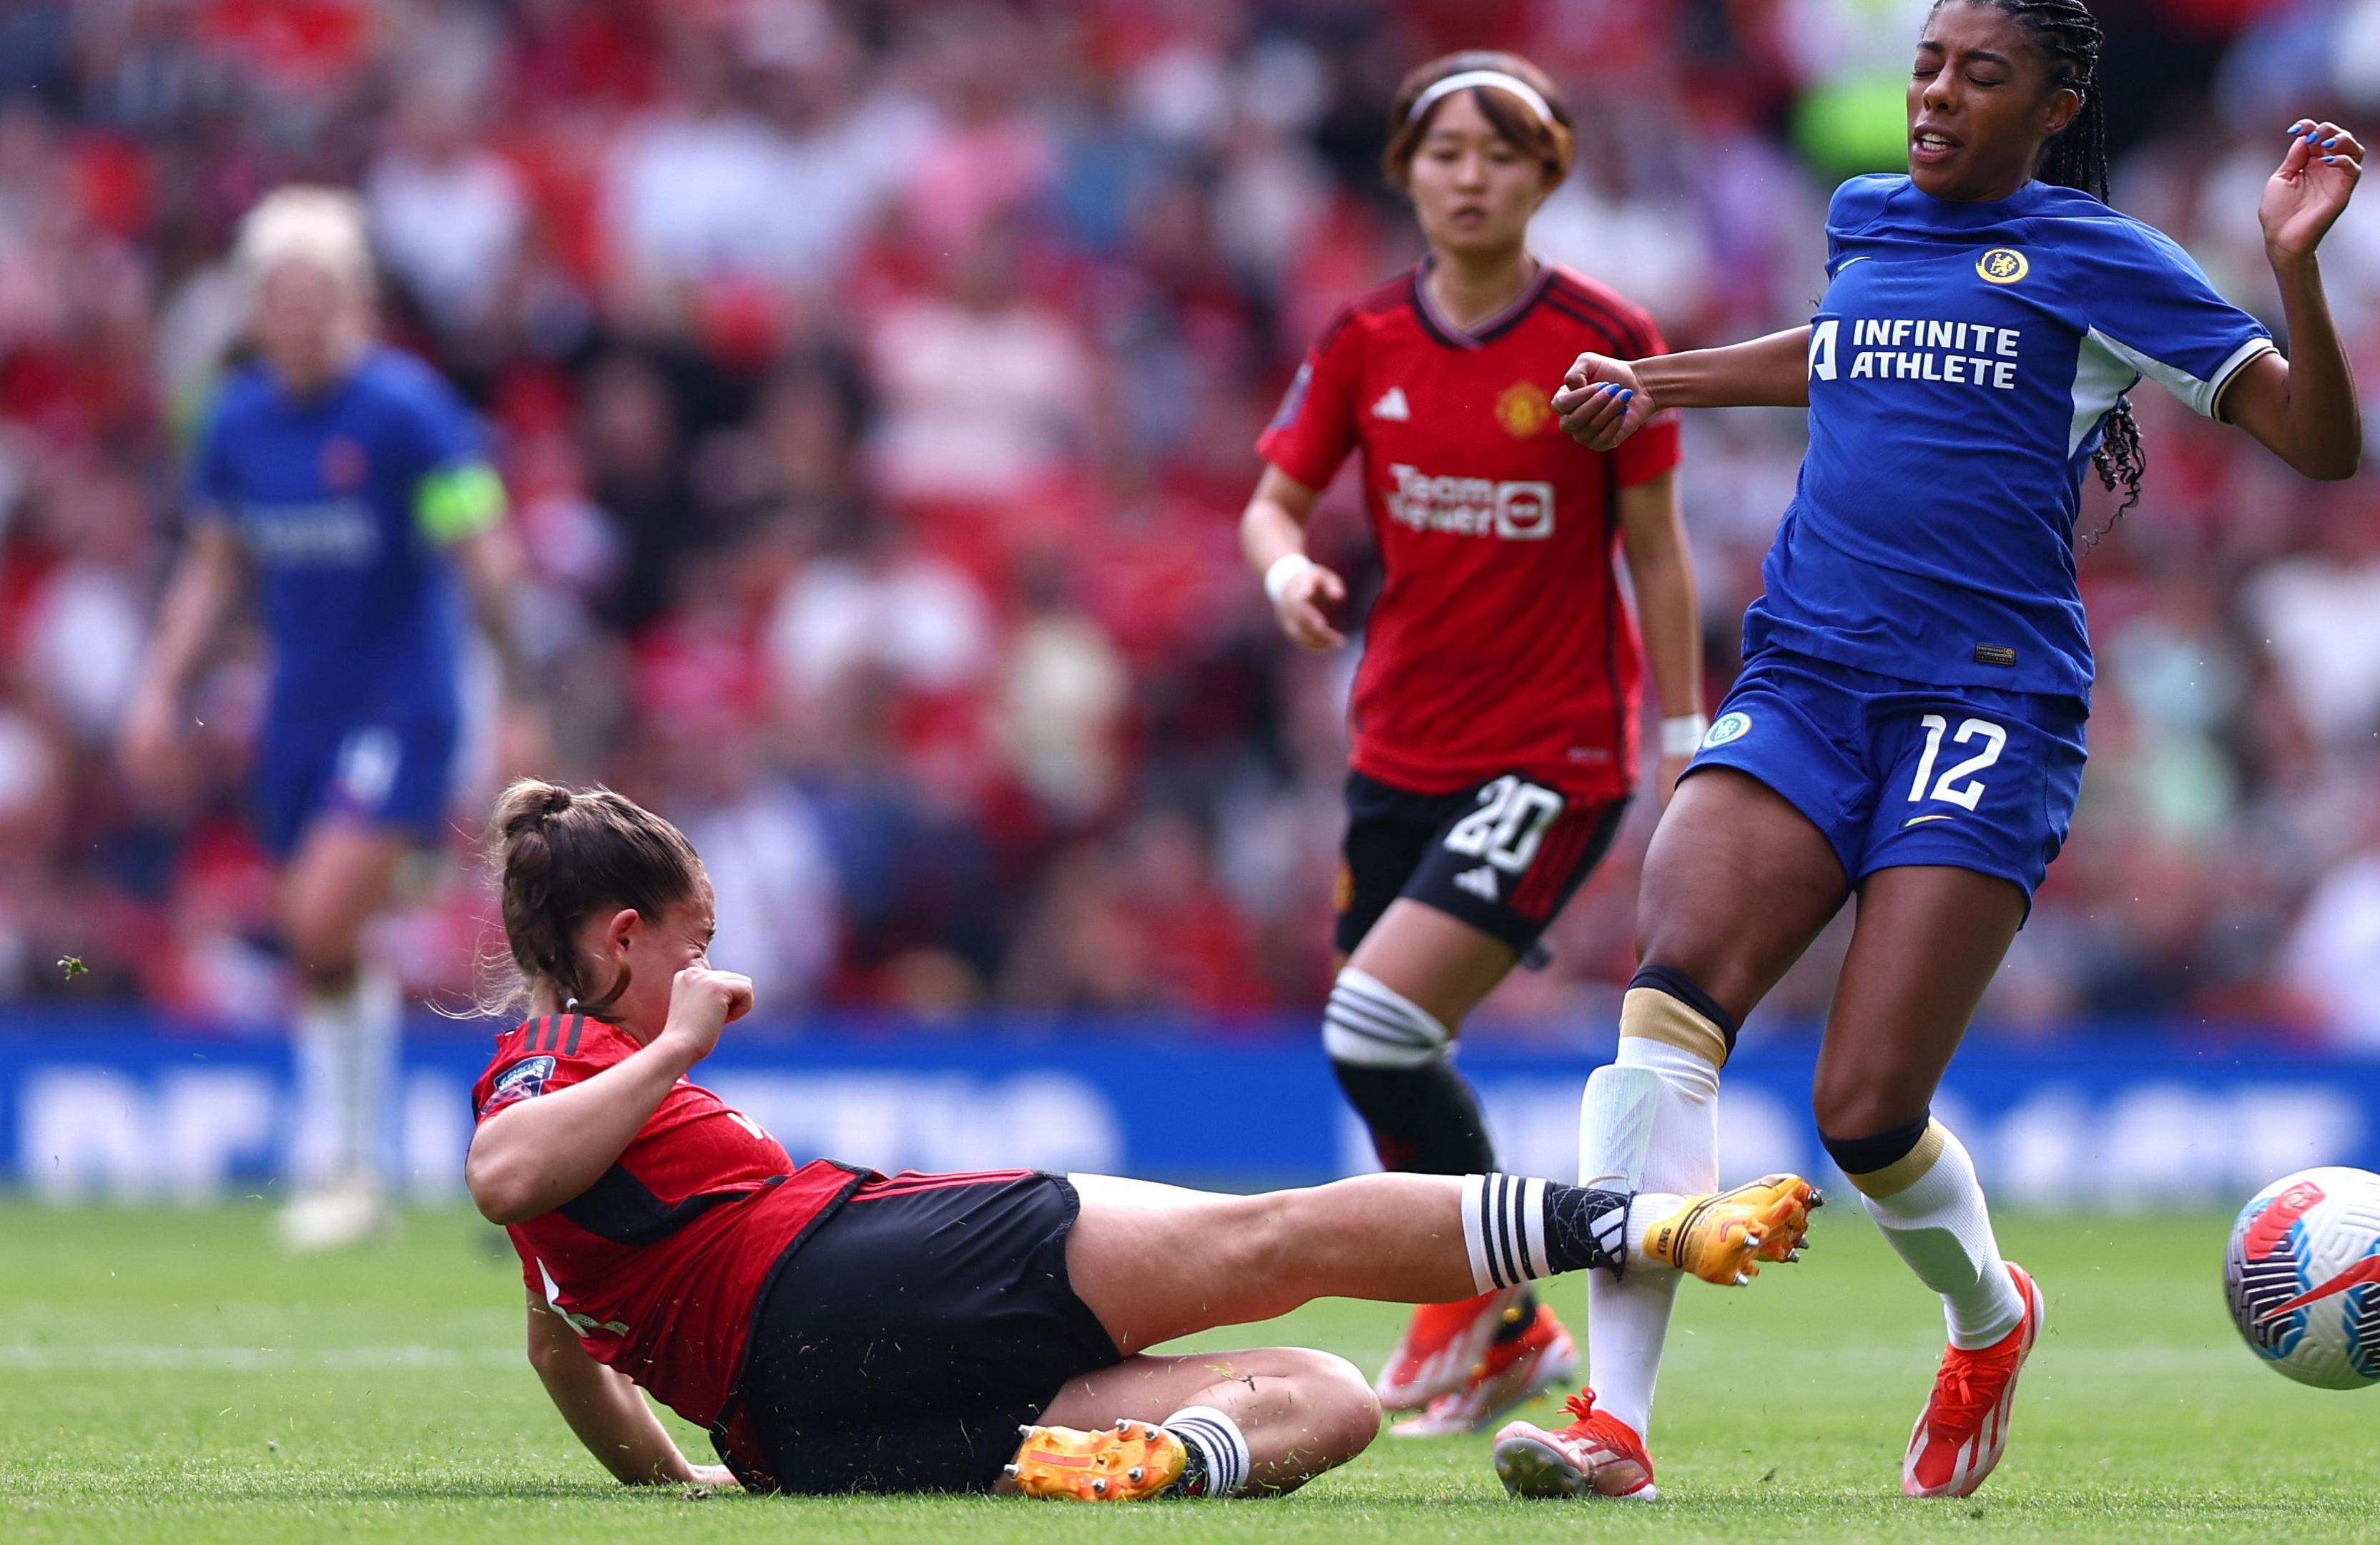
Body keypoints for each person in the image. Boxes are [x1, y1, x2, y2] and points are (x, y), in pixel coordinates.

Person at [1492, 0, 2366, 1502]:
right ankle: (1613, 1431)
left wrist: (2292, 271)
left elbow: (2320, 445)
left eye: (1982, 74)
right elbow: (1846, 351)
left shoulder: (2102, 259)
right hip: (1812, 674)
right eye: (1926, 67)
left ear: (2054, 103)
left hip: (1989, 705)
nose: (1938, 97)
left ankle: (1985, 1316)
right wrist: (1661, 382)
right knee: (1668, 1003)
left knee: (1862, 1113)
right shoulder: (1864, 219)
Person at [463, 778, 1821, 1500]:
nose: (712, 972)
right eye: (695, 945)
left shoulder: (586, 1120)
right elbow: (501, 1172)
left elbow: (556, 1352)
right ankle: (1643, 1222)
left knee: (1332, 1397)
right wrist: (683, 1040)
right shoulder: (559, 1055)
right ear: (623, 937)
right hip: (850, 1277)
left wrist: (690, 1482)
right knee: (1279, 1232)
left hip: (807, 1435)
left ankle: (1176, 1462)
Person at [1240, 50, 1703, 1436]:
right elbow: (1272, 504)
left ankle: (1475, 1302)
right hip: (1396, 746)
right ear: (1406, 170)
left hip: (1553, 755)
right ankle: (1505, 1327)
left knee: (1375, 1026)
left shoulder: (1603, 338)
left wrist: (1682, 740)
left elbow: (1659, 562)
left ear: (1547, 174)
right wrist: (1285, 574)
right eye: (1444, 151)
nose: (1469, 175)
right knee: (1377, 1045)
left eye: (1500, 153)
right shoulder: (1364, 338)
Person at [119, 187, 536, 1251]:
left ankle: (332, 1160)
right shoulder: (239, 422)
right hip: (298, 713)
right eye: (277, 297)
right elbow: (215, 568)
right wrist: (162, 687)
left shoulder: (404, 412)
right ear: (253, 309)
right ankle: (358, 1171)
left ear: (353, 302)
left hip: (401, 704)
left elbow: (475, 542)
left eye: (317, 295)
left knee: (314, 919)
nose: (297, 316)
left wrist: (517, 675)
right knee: (323, 940)